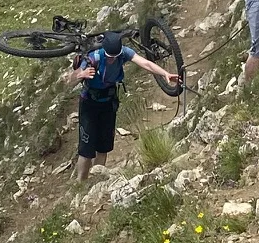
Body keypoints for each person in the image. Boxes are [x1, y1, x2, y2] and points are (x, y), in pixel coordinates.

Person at [62, 28, 180, 181]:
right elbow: (69, 81)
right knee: (86, 150)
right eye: (110, 57)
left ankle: (98, 180)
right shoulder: (93, 58)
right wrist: (80, 74)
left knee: (103, 148)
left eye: (115, 57)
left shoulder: (124, 52)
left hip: (109, 103)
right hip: (89, 104)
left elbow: (145, 63)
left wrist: (165, 74)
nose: (112, 60)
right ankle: (80, 182)